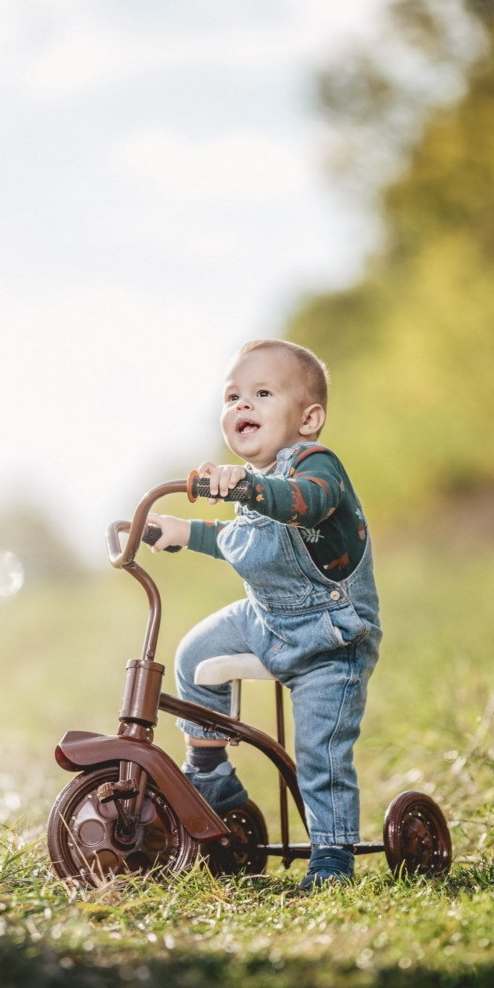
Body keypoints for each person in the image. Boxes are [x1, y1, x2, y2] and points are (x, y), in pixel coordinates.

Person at [147, 338, 382, 890]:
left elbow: (303, 502)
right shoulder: (247, 486)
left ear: (309, 418)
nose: (241, 406)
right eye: (232, 396)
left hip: (331, 636)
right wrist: (181, 532)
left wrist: (250, 487)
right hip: (267, 621)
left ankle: (331, 854)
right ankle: (212, 775)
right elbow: (239, 539)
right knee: (195, 654)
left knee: (320, 750)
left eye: (261, 393)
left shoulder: (316, 466)